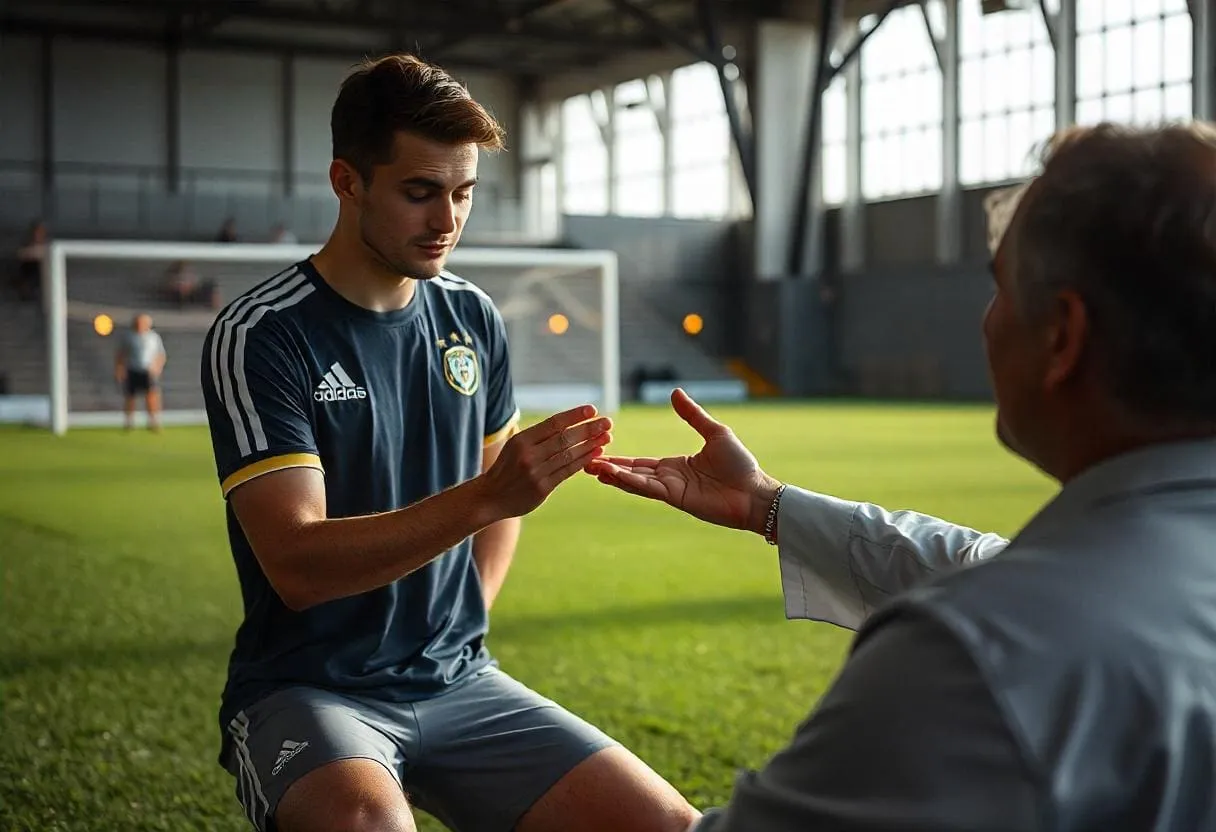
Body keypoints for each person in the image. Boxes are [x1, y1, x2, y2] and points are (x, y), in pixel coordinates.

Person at [588, 122, 1216, 830]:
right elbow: (993, 566)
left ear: (1062, 336)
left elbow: (1010, 610)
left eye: (1000, 288)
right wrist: (768, 505)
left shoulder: (974, 656)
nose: (986, 322)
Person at [199, 54, 696, 832]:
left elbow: (500, 507)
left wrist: (466, 614)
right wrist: (490, 495)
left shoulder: (473, 318)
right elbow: (295, 564)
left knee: (669, 825)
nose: (447, 220)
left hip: (461, 681)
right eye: (420, 192)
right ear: (347, 181)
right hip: (309, 689)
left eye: (463, 193)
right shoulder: (264, 334)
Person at [115, 313, 166, 432]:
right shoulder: (129, 337)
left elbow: (161, 355)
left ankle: (153, 422)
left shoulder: (154, 337)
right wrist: (119, 369)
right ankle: (129, 422)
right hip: (133, 369)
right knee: (130, 397)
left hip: (148, 371)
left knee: (152, 396)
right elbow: (121, 354)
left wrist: (157, 368)